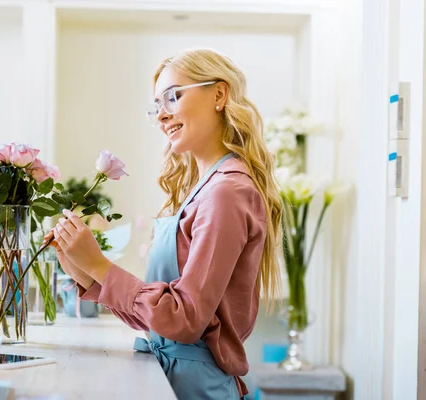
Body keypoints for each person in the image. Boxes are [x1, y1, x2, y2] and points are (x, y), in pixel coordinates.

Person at [44, 48, 282, 400]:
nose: (162, 116)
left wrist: (99, 265)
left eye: (173, 96)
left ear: (219, 94)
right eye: (157, 106)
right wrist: (83, 272)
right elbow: (160, 320)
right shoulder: (202, 190)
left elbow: (185, 321)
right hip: (175, 381)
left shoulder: (226, 192)